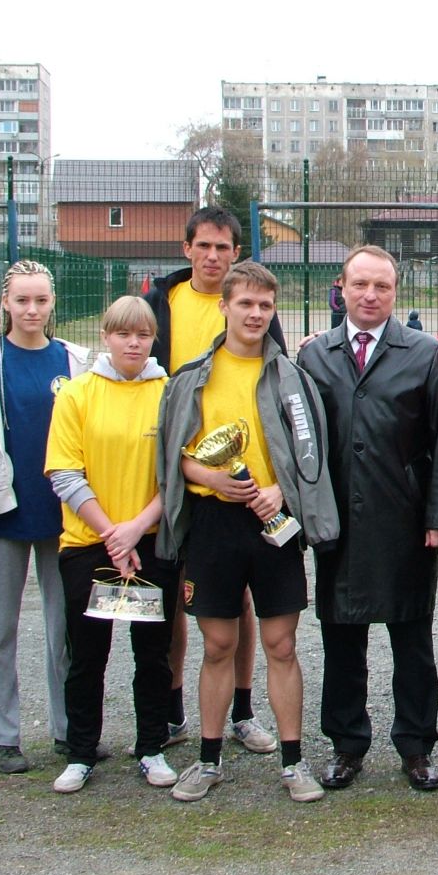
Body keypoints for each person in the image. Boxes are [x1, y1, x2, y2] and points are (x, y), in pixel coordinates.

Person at [157, 261, 341, 803]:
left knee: (281, 643)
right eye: (245, 303)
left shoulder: (292, 379)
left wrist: (282, 491)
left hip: (274, 525)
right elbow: (171, 458)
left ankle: (294, 763)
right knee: (218, 644)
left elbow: (311, 456)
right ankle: (208, 760)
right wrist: (209, 477)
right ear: (225, 307)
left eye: (265, 305)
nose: (255, 314)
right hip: (213, 524)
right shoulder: (191, 378)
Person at [299, 246, 438, 793]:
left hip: (403, 520)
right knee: (342, 641)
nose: (370, 296)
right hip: (338, 522)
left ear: (395, 292)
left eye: (382, 286)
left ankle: (416, 746)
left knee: (412, 640)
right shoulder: (314, 356)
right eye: (361, 285)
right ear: (341, 288)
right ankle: (347, 744)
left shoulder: (425, 353)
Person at [143, 206, 284, 756]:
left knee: (239, 598)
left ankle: (243, 711)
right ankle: (175, 706)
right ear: (187, 249)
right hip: (178, 464)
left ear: (236, 254)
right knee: (178, 592)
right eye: (203, 245)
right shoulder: (164, 302)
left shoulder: (252, 304)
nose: (212, 256)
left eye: (223, 248)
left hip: (241, 482)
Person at [0, 260, 91, 774]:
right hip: (4, 513)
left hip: (64, 514)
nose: (31, 310)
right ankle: (1, 734)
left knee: (66, 626)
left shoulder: (75, 360)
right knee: (0, 627)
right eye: (22, 300)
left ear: (52, 302)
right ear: (6, 303)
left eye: (40, 300)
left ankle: (68, 730)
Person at [44, 296, 177, 794]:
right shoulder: (77, 394)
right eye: (123, 334)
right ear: (106, 337)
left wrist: (135, 529)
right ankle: (81, 752)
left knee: (154, 655)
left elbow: (175, 476)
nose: (133, 344)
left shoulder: (168, 392)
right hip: (89, 544)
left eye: (142, 335)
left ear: (153, 339)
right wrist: (112, 535)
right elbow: (64, 472)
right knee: (87, 655)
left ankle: (152, 747)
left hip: (150, 543)